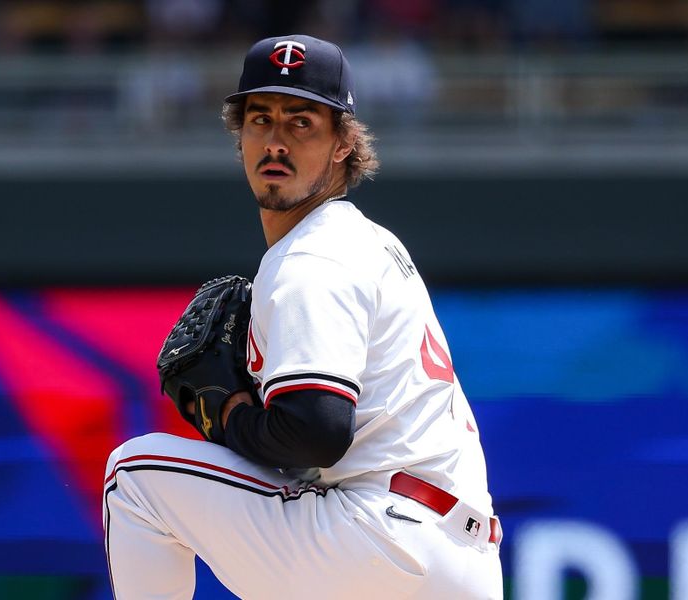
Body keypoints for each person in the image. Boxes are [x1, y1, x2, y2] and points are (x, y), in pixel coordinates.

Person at [103, 34, 503, 599]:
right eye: (260, 119)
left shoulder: (311, 255)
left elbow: (315, 434)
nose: (276, 141)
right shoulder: (368, 240)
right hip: (458, 559)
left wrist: (232, 414)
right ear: (239, 136)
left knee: (136, 474)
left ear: (343, 143)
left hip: (383, 541)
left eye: (301, 123)